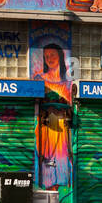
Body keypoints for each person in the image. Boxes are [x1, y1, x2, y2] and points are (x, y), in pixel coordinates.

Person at [33, 44, 73, 189]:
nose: (50, 58)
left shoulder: (67, 84)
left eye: (53, 55)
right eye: (47, 56)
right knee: (46, 168)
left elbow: (71, 110)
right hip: (45, 129)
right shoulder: (39, 79)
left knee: (60, 168)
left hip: (61, 132)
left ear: (60, 57)